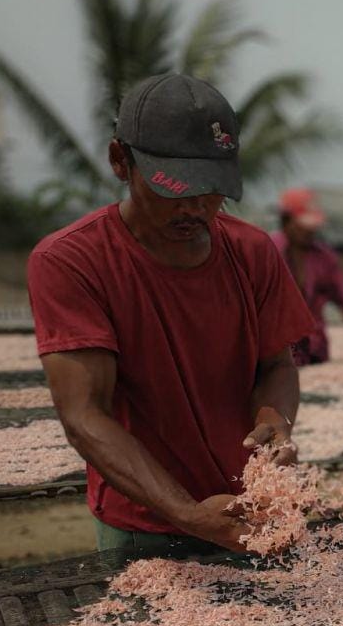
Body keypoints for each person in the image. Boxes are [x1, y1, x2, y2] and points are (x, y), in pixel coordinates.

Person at [26, 73, 316, 554]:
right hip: (146, 526)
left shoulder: (253, 251)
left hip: (251, 510)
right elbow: (84, 414)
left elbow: (276, 365)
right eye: (174, 187)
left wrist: (275, 420)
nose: (196, 206)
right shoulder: (71, 262)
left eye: (211, 189)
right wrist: (186, 513)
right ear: (121, 161)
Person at [270, 188, 343, 365]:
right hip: (275, 350)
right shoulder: (267, 252)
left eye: (312, 227)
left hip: (315, 348)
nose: (310, 232)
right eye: (303, 227)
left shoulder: (325, 257)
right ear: (286, 221)